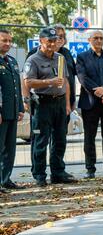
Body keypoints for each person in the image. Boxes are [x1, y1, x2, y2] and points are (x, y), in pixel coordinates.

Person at [24, 27, 75, 186]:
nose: (53, 44)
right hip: (42, 103)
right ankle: (39, 174)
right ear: (41, 41)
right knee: (41, 140)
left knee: (60, 139)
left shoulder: (60, 58)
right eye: (49, 41)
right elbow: (28, 82)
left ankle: (58, 172)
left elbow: (65, 81)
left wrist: (67, 104)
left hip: (59, 103)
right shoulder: (33, 59)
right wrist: (49, 82)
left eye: (55, 41)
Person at [75, 30, 103, 179]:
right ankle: (90, 169)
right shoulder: (82, 57)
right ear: (89, 40)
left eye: (101, 38)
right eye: (96, 38)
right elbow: (83, 78)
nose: (99, 40)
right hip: (90, 101)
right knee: (90, 136)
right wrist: (99, 91)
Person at [28, 24, 77, 113]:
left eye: (62, 36)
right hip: (42, 102)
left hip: (63, 101)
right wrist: (25, 101)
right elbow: (26, 81)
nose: (59, 39)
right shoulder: (33, 54)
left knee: (62, 127)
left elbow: (69, 78)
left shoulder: (65, 53)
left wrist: (70, 102)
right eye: (55, 37)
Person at [0, 29, 24, 192]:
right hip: (1, 112)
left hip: (13, 111)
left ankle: (5, 178)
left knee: (10, 148)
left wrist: (21, 108)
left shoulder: (12, 61)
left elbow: (17, 86)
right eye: (4, 40)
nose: (8, 44)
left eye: (10, 41)